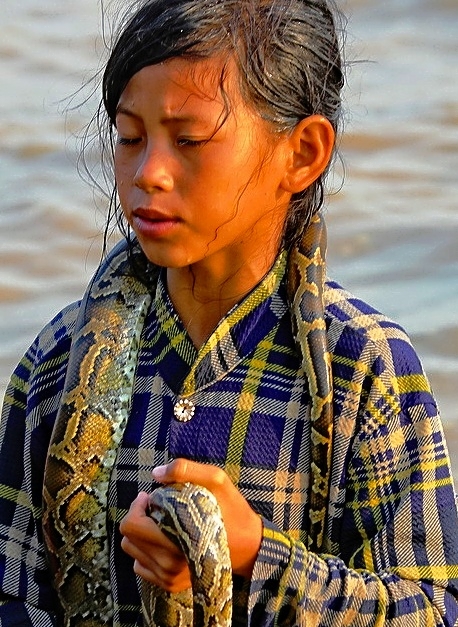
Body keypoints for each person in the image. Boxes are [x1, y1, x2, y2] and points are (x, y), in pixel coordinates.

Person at [1, 0, 457, 625]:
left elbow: (434, 609)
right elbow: (14, 596)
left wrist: (254, 558)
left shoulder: (363, 369)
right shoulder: (55, 368)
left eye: (189, 140)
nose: (148, 173)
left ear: (301, 153)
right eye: (130, 137)